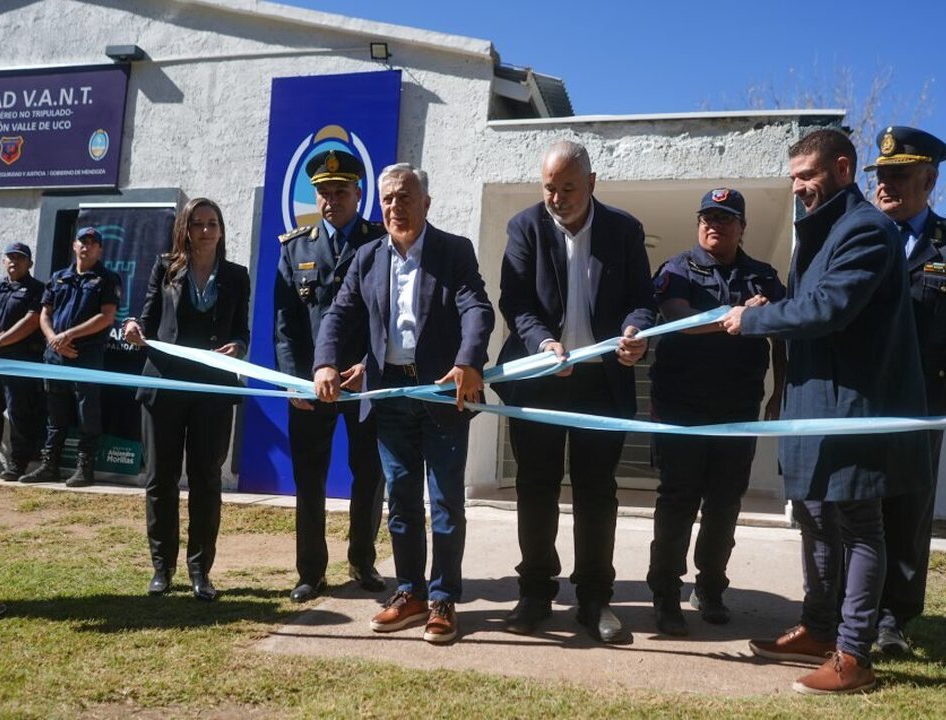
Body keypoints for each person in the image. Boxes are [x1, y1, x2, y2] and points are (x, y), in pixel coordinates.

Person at [722, 129, 932, 694]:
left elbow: (832, 308)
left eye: (806, 176)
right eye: (793, 177)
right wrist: (776, 306)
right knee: (814, 518)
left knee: (860, 527)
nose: (797, 188)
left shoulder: (866, 229)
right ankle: (818, 629)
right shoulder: (820, 232)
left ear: (842, 169)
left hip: (849, 409)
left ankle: (854, 654)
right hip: (812, 407)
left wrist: (756, 320)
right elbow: (810, 304)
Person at [313, 163, 494, 644]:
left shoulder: (453, 251)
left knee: (446, 505)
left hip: (442, 395)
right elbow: (339, 312)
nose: (396, 206)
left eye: (406, 196)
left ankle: (444, 599)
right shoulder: (368, 257)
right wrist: (325, 363)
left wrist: (468, 361)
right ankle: (410, 593)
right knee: (401, 502)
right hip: (390, 396)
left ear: (427, 202)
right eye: (388, 198)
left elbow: (476, 306)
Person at [496, 140, 655, 644]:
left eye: (568, 188)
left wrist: (635, 335)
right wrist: (542, 343)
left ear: (591, 184)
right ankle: (537, 594)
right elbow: (514, 301)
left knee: (595, 492)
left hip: (601, 383)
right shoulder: (525, 227)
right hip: (543, 378)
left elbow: (641, 302)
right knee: (536, 486)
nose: (557, 197)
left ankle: (593, 600)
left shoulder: (624, 229)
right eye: (549, 187)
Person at [646, 188, 786, 636]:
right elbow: (677, 317)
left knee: (724, 505)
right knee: (677, 502)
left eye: (726, 219)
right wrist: (741, 315)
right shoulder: (676, 269)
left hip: (737, 408)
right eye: (707, 216)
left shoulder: (763, 278)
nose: (714, 225)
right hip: (681, 408)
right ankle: (666, 594)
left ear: (742, 228)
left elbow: (785, 333)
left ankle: (710, 588)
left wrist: (780, 390)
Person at [123, 198, 250, 602]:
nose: (207, 231)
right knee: (160, 479)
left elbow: (242, 332)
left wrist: (238, 347)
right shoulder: (166, 268)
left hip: (212, 390)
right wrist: (132, 327)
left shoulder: (237, 276)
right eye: (199, 224)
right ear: (185, 229)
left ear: (221, 231)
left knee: (206, 481)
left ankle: (200, 571)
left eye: (214, 224)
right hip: (163, 386)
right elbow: (144, 317)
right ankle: (163, 568)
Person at [274, 150, 386, 603]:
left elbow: (386, 316)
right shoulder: (295, 247)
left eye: (341, 191)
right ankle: (311, 572)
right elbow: (285, 324)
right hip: (309, 386)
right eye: (324, 192)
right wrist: (292, 380)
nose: (331, 200)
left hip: (364, 382)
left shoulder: (379, 242)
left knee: (369, 474)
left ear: (359, 194)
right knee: (310, 478)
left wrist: (370, 368)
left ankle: (362, 559)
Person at [866, 125, 946, 655]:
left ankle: (894, 618)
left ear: (929, 178)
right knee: (857, 507)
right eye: (883, 174)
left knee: (909, 511)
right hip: (862, 400)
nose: (887, 184)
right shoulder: (860, 237)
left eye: (899, 175)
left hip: (923, 403)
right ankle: (851, 613)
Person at [20, 227, 121, 488]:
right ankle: (49, 465)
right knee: (55, 413)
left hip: (86, 355)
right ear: (74, 246)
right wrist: (54, 339)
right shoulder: (59, 277)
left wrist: (68, 336)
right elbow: (45, 314)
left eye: (92, 242)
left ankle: (85, 468)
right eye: (82, 241)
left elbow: (107, 316)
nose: (86, 246)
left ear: (100, 249)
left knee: (87, 412)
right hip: (55, 356)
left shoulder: (107, 279)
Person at [0, 243, 45, 481]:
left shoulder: (37, 289)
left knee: (19, 413)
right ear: (3, 261)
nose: (14, 261)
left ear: (29, 263)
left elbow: (32, 321)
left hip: (19, 360)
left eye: (20, 258)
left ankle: (17, 464)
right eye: (10, 257)